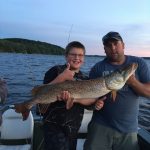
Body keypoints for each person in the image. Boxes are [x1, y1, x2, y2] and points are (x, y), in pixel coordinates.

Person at [83, 31, 150, 150]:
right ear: (104, 49)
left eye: (115, 43)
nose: (113, 48)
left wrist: (133, 82)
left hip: (128, 129)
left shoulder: (139, 63)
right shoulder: (97, 68)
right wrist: (94, 105)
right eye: (108, 45)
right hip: (100, 126)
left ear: (123, 45)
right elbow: (89, 97)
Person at [38, 41, 105, 150]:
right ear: (66, 56)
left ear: (84, 58)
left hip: (73, 127)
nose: (77, 58)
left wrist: (96, 104)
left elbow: (89, 104)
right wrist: (62, 77)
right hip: (53, 126)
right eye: (73, 54)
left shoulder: (84, 78)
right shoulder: (55, 71)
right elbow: (42, 92)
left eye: (80, 55)